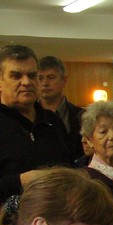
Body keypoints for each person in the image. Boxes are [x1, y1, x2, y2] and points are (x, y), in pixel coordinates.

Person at [0, 45, 71, 206]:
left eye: (32, 75)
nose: (26, 82)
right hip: (11, 219)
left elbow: (69, 165)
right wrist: (20, 181)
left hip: (59, 214)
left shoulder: (53, 121)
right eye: (16, 76)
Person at [38, 56, 84, 162]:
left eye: (51, 77)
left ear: (64, 80)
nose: (45, 83)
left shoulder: (81, 116)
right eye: (40, 78)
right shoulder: (27, 115)